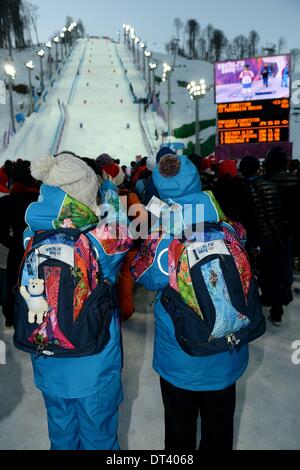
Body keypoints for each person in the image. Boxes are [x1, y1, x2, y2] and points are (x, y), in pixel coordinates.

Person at [132, 155, 249, 450]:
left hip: (180, 355)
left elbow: (145, 276)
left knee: (179, 428)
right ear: (197, 180)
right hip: (226, 349)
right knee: (220, 426)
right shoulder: (229, 228)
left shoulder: (162, 239)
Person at [21, 153, 132, 450]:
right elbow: (123, 233)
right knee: (99, 437)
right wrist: (108, 196)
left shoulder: (31, 239)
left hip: (48, 359)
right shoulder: (97, 241)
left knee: (62, 435)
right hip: (93, 362)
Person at [0, 160, 40, 327]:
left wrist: (16, 243)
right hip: (40, 252)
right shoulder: (41, 201)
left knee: (13, 286)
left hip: (17, 252)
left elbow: (1, 234)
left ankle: (12, 318)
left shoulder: (6, 202)